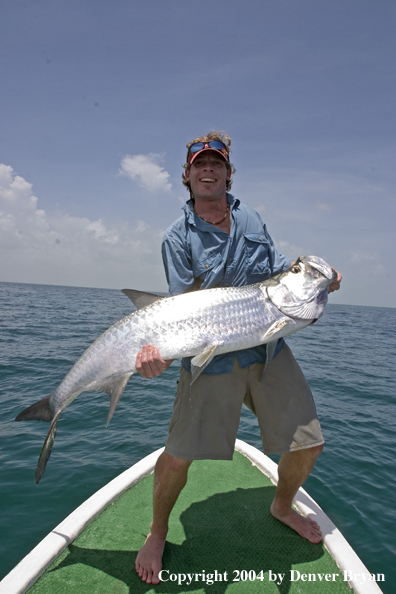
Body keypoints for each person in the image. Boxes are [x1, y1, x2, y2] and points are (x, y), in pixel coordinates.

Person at [134, 131, 342, 585]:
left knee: (310, 442)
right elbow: (182, 306)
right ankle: (157, 530)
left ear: (230, 173)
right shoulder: (177, 238)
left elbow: (277, 265)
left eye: (218, 164)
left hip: (267, 347)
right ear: (187, 176)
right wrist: (161, 353)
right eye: (200, 165)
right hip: (212, 357)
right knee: (177, 456)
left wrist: (316, 277)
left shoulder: (250, 217)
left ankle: (281, 505)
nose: (209, 171)